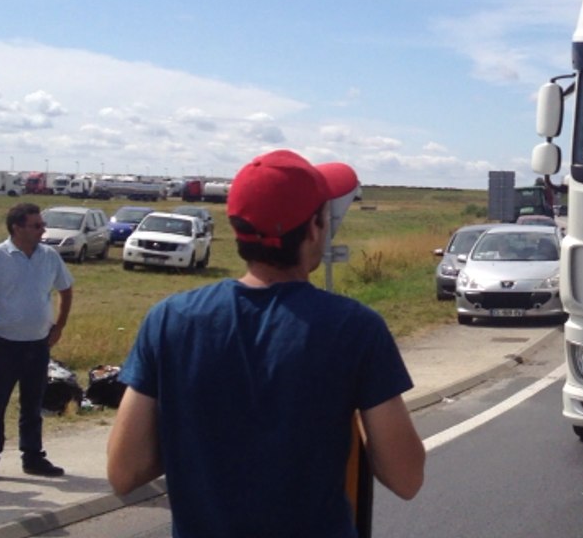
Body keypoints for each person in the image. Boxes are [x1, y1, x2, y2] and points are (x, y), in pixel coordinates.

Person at [107, 150, 425, 536]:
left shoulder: (169, 321)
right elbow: (406, 477)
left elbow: (124, 471)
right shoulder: (356, 329)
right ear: (314, 228)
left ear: (237, 228)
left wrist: (199, 433)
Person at [0, 203, 73, 484]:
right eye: (36, 225)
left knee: (33, 405)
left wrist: (59, 326)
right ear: (17, 228)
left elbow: (66, 289)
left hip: (38, 345)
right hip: (4, 345)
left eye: (42, 225)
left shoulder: (49, 256)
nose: (42, 230)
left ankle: (33, 457)